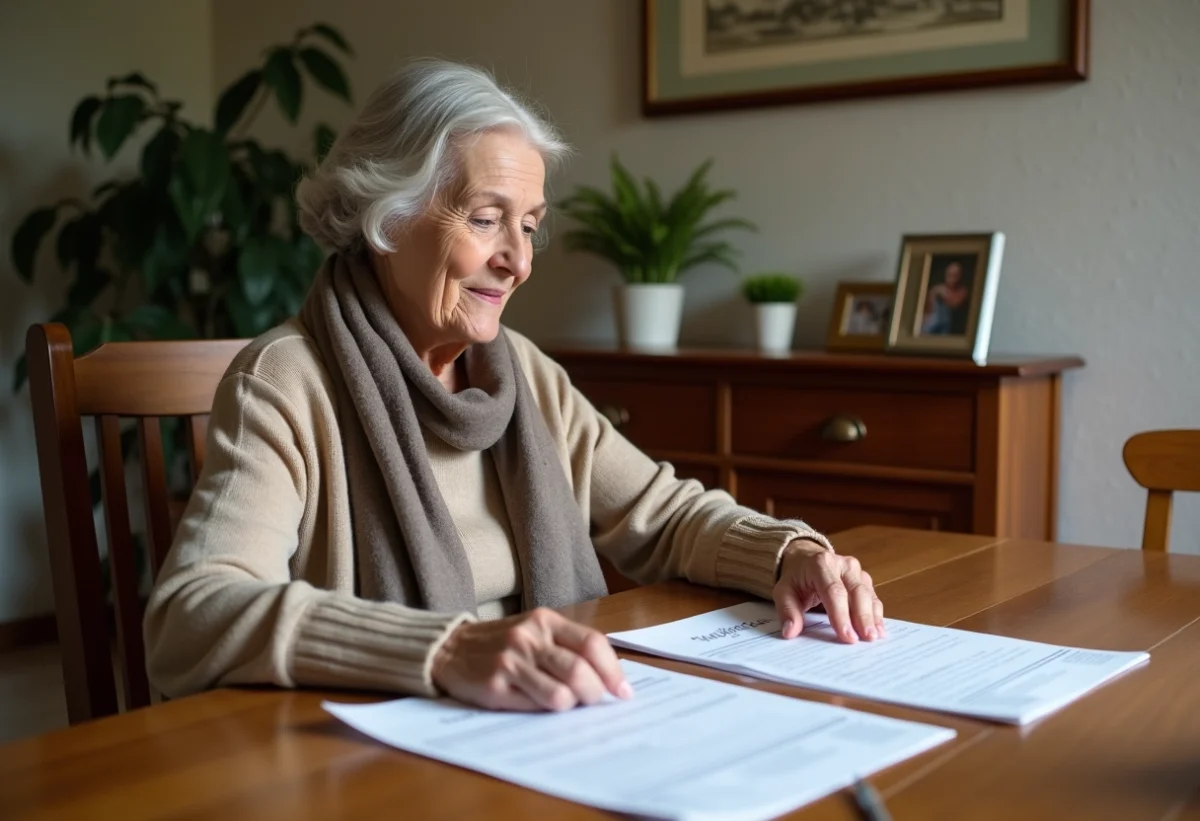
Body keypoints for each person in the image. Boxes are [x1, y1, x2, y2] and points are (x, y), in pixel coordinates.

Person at [144, 59, 884, 713]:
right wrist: (444, 648)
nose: (518, 261)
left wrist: (787, 553)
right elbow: (192, 613)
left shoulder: (519, 371)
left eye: (528, 225)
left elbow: (661, 514)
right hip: (368, 758)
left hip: (539, 722)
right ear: (386, 218)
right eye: (486, 219)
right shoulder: (288, 380)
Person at [920, 261, 971, 335]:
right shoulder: (938, 289)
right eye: (949, 275)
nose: (951, 279)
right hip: (935, 323)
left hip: (951, 326)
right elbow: (929, 309)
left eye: (954, 276)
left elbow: (954, 304)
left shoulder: (963, 291)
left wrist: (944, 294)